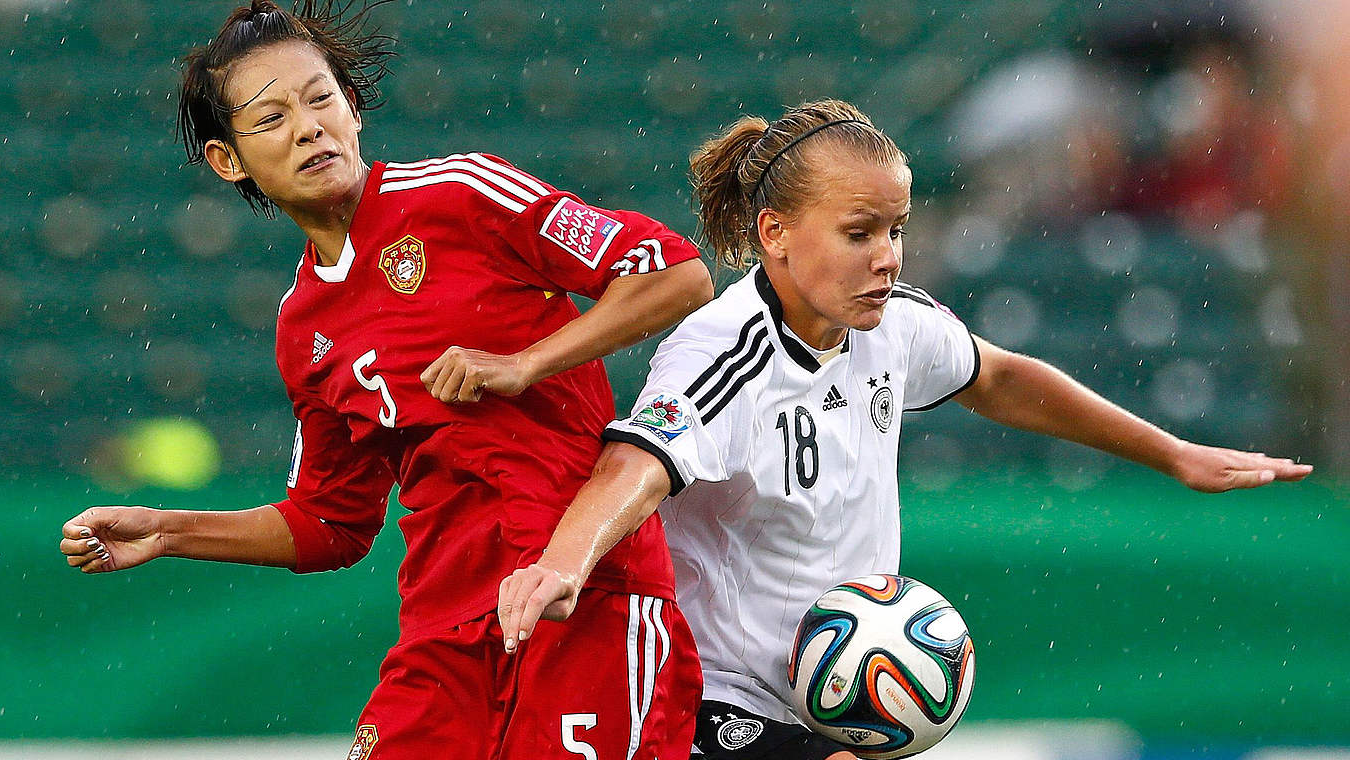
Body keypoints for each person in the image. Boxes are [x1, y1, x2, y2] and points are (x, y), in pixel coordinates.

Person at [495, 99, 1314, 760]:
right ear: (775, 234)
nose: (887, 257)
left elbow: (997, 375)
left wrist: (1171, 453)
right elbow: (637, 463)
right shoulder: (725, 353)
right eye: (860, 234)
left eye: (897, 230)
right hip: (715, 699)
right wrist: (564, 566)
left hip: (829, 697)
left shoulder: (890, 323)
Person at [58, 2, 712, 759]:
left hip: (583, 597)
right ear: (228, 159)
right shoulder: (303, 328)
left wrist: (527, 362)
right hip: (445, 634)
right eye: (271, 117)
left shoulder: (462, 193)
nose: (308, 127)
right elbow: (331, 522)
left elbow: (673, 272)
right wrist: (170, 530)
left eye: (320, 98)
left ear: (353, 108)